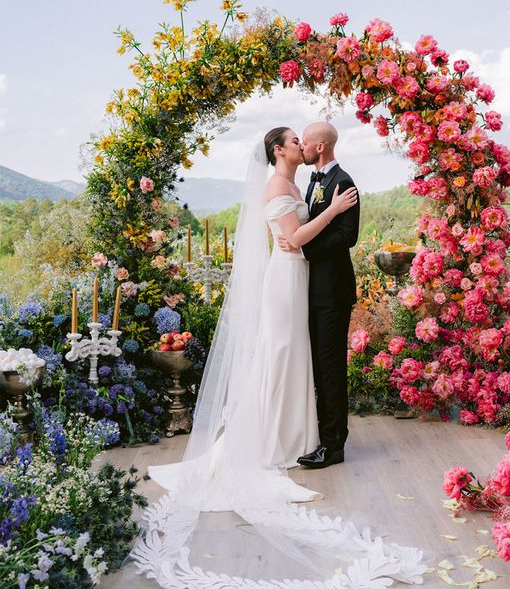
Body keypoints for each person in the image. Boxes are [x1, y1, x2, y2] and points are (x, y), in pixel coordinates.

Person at [131, 127, 427, 587]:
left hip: (306, 283)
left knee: (298, 360)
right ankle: (279, 436)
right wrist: (325, 215)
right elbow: (291, 236)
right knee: (283, 354)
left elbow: (311, 239)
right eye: (294, 140)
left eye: (304, 141)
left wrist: (312, 228)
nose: (300, 146)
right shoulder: (281, 185)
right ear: (279, 150)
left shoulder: (309, 182)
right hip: (287, 282)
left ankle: (306, 436)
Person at [279, 122, 359, 469]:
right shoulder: (313, 182)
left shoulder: (343, 182)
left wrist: (304, 250)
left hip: (333, 292)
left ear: (320, 147)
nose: (303, 146)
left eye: (306, 142)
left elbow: (347, 237)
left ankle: (333, 446)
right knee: (319, 366)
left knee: (330, 369)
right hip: (314, 290)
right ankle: (322, 435)